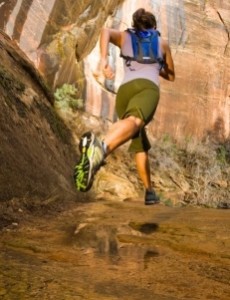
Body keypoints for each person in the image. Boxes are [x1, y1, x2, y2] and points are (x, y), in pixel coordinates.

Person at [74, 8, 175, 205]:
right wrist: (155, 66)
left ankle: (149, 191)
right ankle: (100, 149)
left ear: (135, 24)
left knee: (138, 141)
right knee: (135, 121)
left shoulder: (125, 36)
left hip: (125, 92)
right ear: (154, 26)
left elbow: (105, 31)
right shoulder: (162, 44)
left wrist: (104, 59)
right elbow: (171, 76)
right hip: (147, 89)